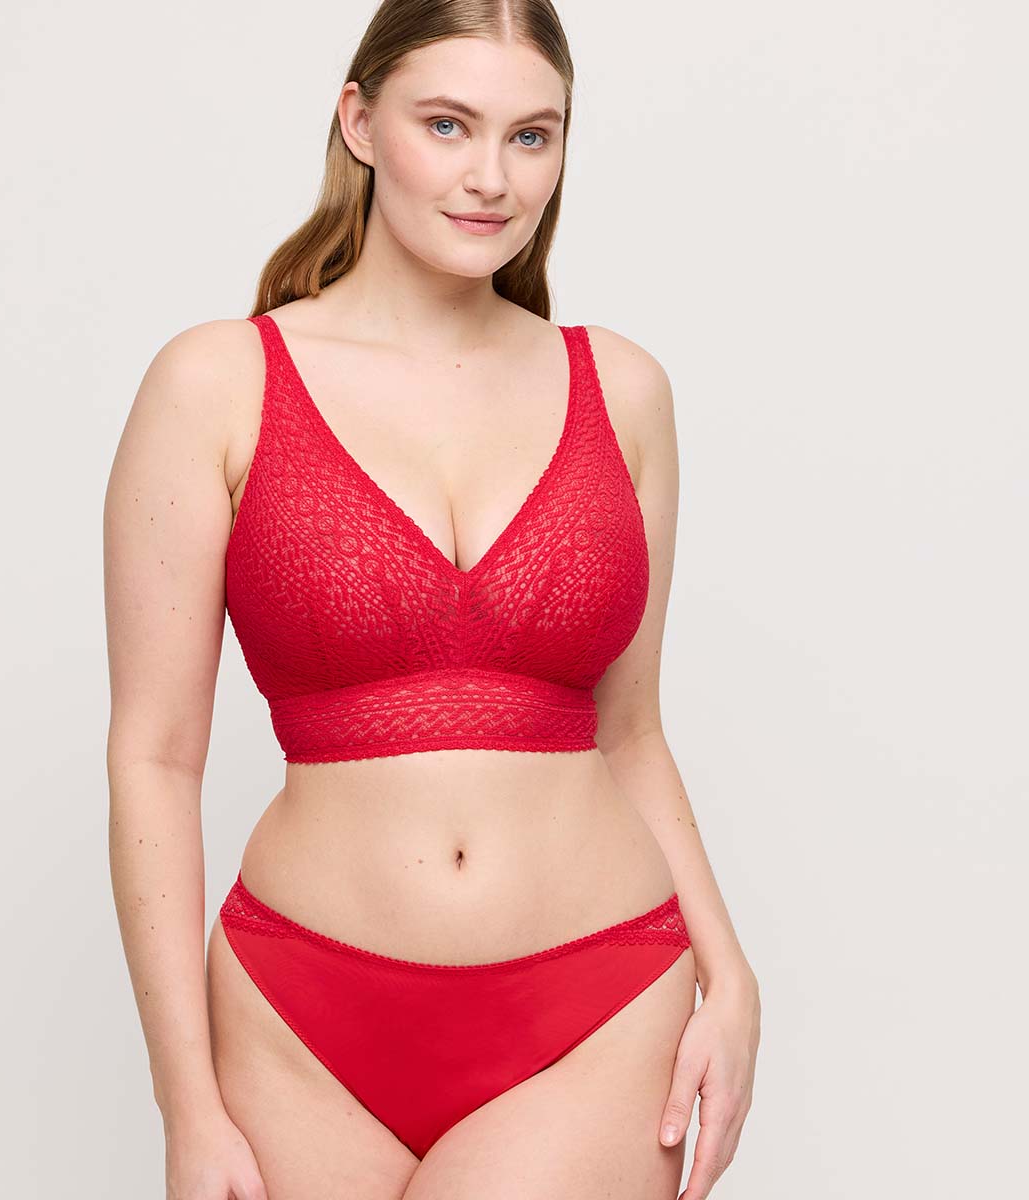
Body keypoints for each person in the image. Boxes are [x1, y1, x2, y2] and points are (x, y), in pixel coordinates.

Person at [103, 3, 761, 1198]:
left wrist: (732, 978)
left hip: (597, 1007)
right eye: (448, 125)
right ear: (360, 123)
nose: (491, 178)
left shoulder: (623, 391)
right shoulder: (217, 383)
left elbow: (632, 733)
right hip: (299, 1023)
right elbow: (155, 757)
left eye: (531, 135)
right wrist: (184, 1103)